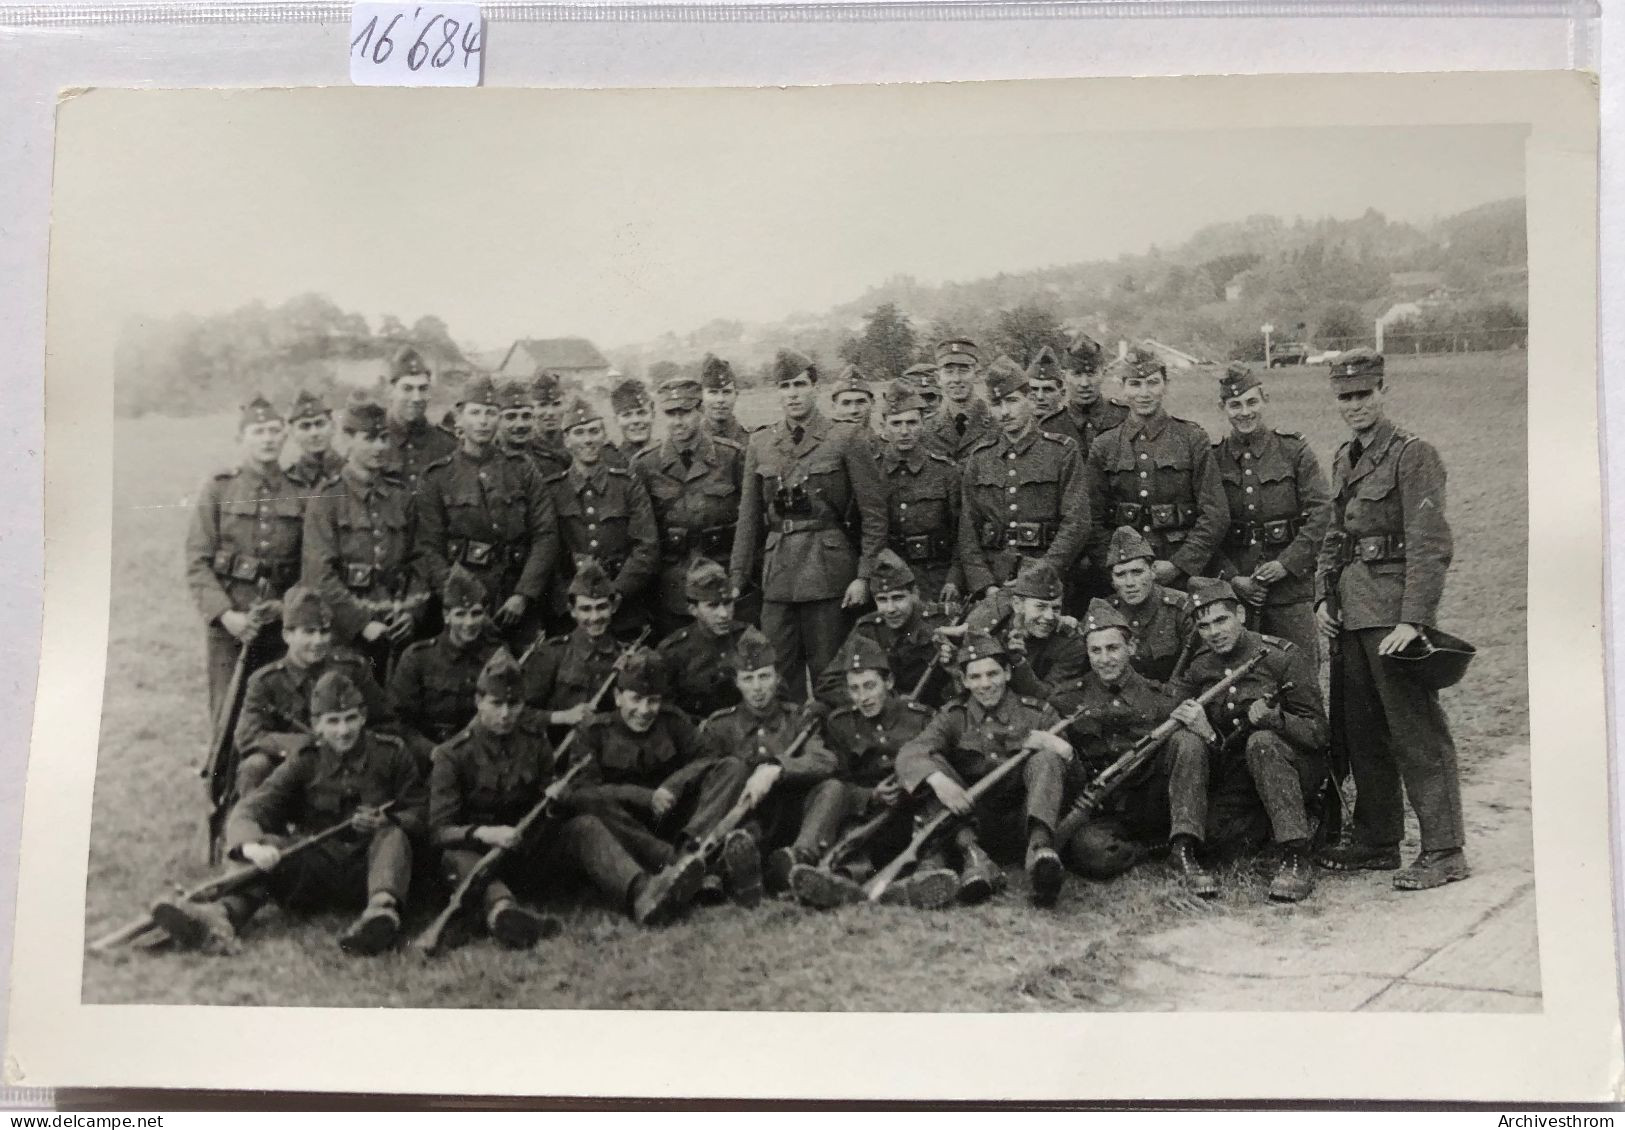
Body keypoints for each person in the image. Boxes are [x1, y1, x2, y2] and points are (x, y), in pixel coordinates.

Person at [1313, 349, 1466, 891]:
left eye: (1364, 394)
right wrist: (1322, 601)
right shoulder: (1344, 458)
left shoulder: (1412, 455)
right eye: (1345, 397)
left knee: (1414, 730)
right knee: (1364, 733)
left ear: (1383, 392)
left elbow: (1430, 546)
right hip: (1352, 614)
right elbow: (1335, 535)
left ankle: (1445, 848)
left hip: (1393, 616)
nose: (1355, 405)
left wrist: (1415, 621)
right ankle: (1378, 841)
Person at [430, 649, 706, 943]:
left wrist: (555, 801)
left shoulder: (535, 743)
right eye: (497, 704)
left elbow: (550, 809)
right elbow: (438, 831)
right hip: (480, 860)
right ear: (478, 702)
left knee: (584, 825)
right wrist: (484, 833)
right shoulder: (452, 754)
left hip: (527, 854)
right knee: (455, 855)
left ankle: (643, 893)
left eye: (514, 704)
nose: (506, 714)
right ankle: (503, 911)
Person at [153, 670, 426, 956]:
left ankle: (380, 916)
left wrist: (388, 820)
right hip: (317, 870)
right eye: (332, 721)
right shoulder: (305, 762)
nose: (343, 731)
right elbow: (252, 808)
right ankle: (222, 916)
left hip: (374, 871)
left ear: (364, 717)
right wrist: (250, 846)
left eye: (350, 719)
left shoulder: (392, 754)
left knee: (392, 834)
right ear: (316, 725)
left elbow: (421, 811)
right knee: (270, 846)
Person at [729, 349, 890, 700]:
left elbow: (874, 515)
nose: (793, 393)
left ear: (815, 388)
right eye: (785, 386)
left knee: (830, 676)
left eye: (800, 384)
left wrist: (864, 575)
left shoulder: (844, 438)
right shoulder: (761, 443)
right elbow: (748, 518)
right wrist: (736, 579)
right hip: (778, 577)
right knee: (779, 679)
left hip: (830, 575)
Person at [1165, 580, 1326, 902]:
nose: (1214, 632)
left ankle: (1295, 854)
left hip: (1290, 768)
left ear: (1240, 613)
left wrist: (1276, 719)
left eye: (1221, 620)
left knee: (1261, 742)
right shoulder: (1199, 668)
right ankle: (1186, 848)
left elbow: (1319, 734)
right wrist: (1205, 732)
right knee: (1219, 838)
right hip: (1238, 779)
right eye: (1204, 625)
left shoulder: (1281, 657)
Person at [895, 632, 1075, 908]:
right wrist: (938, 780)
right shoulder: (954, 716)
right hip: (972, 824)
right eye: (976, 677)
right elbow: (911, 753)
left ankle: (1041, 855)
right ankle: (975, 859)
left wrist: (1059, 748)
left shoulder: (1038, 714)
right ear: (964, 681)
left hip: (1024, 822)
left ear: (1006, 673)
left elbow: (1074, 777)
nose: (985, 684)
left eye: (992, 674)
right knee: (931, 765)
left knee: (1047, 758)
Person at [569, 647, 760, 906]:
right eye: (635, 699)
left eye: (653, 700)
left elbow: (708, 757)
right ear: (617, 697)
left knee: (733, 767)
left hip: (676, 822)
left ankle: (693, 855)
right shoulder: (593, 732)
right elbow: (583, 791)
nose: (645, 710)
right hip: (629, 830)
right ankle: (685, 865)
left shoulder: (672, 721)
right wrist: (645, 797)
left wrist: (674, 785)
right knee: (589, 805)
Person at [1052, 600, 1215, 895]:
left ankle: (1182, 848)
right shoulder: (1068, 701)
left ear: (1131, 648)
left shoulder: (1162, 697)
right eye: (1096, 650)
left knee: (1187, 740)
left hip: (1154, 803)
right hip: (1106, 813)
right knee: (1092, 854)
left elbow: (1196, 759)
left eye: (1113, 648)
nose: (1105, 659)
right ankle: (1151, 848)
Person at [784, 635, 948, 910]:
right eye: (855, 689)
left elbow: (937, 765)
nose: (863, 697)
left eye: (870, 686)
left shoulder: (920, 718)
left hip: (913, 810)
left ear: (890, 683)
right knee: (852, 843)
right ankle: (841, 883)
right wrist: (872, 796)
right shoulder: (842, 724)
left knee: (931, 829)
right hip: (871, 815)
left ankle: (924, 878)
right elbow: (841, 781)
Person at [694, 628, 839, 898]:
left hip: (790, 819)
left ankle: (798, 860)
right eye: (748, 679)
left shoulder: (797, 719)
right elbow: (708, 783)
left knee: (832, 788)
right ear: (737, 682)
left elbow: (824, 760)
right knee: (743, 838)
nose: (757, 687)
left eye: (764, 676)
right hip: (744, 821)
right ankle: (736, 871)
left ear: (777, 678)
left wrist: (778, 768)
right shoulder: (719, 726)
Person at [185, 394, 302, 720]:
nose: (268, 438)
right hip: (230, 626)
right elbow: (197, 560)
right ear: (242, 438)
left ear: (285, 435)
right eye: (259, 431)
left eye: (274, 430)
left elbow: (312, 564)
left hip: (282, 626)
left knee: (281, 714)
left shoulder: (301, 490)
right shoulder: (219, 489)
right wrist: (227, 616)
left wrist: (285, 607)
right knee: (228, 714)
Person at [417, 375, 558, 646]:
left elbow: (546, 534)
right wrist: (462, 602)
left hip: (517, 598)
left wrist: (524, 594)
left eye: (491, 413)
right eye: (476, 412)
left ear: (499, 419)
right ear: (460, 417)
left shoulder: (522, 468)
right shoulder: (438, 477)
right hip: (464, 606)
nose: (483, 421)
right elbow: (428, 547)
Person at [1209, 363, 1332, 664]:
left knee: (1301, 672)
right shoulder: (1214, 458)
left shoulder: (1294, 451)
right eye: (1234, 405)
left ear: (1265, 400)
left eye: (1252, 402)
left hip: (1291, 590)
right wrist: (1233, 579)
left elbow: (1322, 512)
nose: (1244, 412)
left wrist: (1287, 564)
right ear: (1222, 407)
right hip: (1239, 593)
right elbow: (1207, 523)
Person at [233, 585, 411, 793]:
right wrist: (306, 744)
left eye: (324, 631)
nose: (318, 641)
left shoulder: (352, 669)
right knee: (255, 766)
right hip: (290, 770)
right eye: (309, 632)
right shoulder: (265, 681)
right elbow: (248, 736)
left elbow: (385, 721)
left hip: (349, 766)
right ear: (287, 635)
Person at [1084, 345, 1228, 592]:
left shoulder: (1192, 439)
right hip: (1125, 578)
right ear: (1122, 387)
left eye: (1152, 383)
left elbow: (1215, 513)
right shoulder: (1104, 445)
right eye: (1135, 384)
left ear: (1165, 385)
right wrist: (1119, 568)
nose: (1144, 393)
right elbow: (1091, 518)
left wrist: (1179, 564)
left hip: (1181, 573)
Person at [301, 395, 424, 678]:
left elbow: (419, 560)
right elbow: (319, 575)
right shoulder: (327, 499)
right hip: (344, 633)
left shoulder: (400, 496)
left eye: (384, 438)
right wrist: (362, 624)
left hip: (395, 627)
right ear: (346, 440)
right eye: (369, 438)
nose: (380, 447)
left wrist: (412, 614)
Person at [957, 356, 1092, 598]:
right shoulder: (979, 458)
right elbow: (968, 531)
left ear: (1030, 399)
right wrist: (985, 585)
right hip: (995, 583)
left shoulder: (1061, 451)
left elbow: (1076, 522)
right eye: (996, 404)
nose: (1005, 412)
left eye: (1012, 401)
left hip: (1047, 580)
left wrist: (1044, 571)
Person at [537, 395, 659, 638]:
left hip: (624, 606)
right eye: (579, 432)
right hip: (571, 611)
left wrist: (615, 594)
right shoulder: (552, 490)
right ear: (566, 440)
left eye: (594, 431)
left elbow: (646, 547)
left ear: (604, 436)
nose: (588, 439)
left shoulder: (627, 485)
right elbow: (546, 550)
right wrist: (570, 601)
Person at [633, 375, 745, 639]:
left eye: (685, 412)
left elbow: (752, 522)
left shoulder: (732, 457)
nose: (678, 420)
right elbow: (641, 534)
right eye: (670, 413)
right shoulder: (645, 465)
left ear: (700, 411)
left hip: (723, 580)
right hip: (674, 589)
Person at [815, 550, 954, 709]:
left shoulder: (941, 623)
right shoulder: (868, 628)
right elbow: (827, 684)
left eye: (898, 598)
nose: (890, 609)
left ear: (914, 594)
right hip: (883, 714)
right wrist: (880, 699)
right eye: (882, 600)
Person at [874, 380, 963, 609]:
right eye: (896, 423)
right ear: (883, 426)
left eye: (912, 422)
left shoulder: (945, 471)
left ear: (923, 424)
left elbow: (962, 532)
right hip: (889, 581)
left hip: (936, 578)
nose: (904, 431)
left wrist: (954, 578)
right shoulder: (872, 472)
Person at [388, 566, 499, 745]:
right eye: (460, 614)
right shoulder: (417, 657)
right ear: (446, 616)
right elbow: (400, 721)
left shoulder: (496, 657)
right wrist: (433, 753)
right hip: (429, 752)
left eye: (476, 613)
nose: (469, 622)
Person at [959, 557, 1090, 699]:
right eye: (1041, 606)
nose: (1049, 616)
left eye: (1056, 608)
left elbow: (1048, 694)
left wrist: (1019, 663)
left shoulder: (1070, 643)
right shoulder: (994, 628)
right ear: (1017, 604)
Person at [522, 559, 627, 718]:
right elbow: (522, 713)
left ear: (613, 607)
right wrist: (562, 717)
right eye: (585, 609)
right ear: (572, 611)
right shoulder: (552, 654)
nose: (595, 617)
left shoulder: (624, 656)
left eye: (601, 607)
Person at [656, 558, 749, 720]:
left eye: (727, 603)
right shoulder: (673, 651)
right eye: (712, 606)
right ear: (693, 609)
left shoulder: (748, 639)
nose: (724, 614)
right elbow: (665, 713)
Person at [1103, 525, 1197, 684]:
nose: (1130, 583)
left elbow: (1198, 667)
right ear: (1112, 580)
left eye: (1137, 572)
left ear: (1153, 571)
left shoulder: (1180, 608)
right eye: (1120, 575)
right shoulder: (1105, 612)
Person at [381, 346, 458, 496]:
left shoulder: (446, 444)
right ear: (390, 391)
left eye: (423, 389)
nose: (416, 398)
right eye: (407, 388)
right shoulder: (373, 441)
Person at [925, 337, 995, 459]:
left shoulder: (997, 422)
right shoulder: (927, 428)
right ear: (938, 379)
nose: (956, 379)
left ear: (977, 375)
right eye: (949, 371)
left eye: (964, 370)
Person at [1060, 331, 1128, 453]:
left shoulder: (1125, 418)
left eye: (1091, 373)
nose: (1085, 383)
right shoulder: (1050, 426)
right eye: (1077, 374)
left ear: (1104, 374)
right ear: (1064, 376)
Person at [282, 389, 346, 489]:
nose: (314, 433)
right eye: (305, 426)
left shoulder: (351, 472)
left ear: (333, 427)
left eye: (320, 424)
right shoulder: (287, 482)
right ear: (293, 433)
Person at [1028, 347, 1085, 449]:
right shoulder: (1019, 427)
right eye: (1034, 389)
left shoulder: (1074, 428)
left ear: (1062, 393)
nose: (1040, 397)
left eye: (1047, 390)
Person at [526, 370, 572, 477]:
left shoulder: (574, 444)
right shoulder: (526, 450)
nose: (550, 412)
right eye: (542, 405)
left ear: (565, 407)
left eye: (556, 404)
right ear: (531, 410)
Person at [698, 354, 751, 445]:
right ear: (701, 396)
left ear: (736, 395)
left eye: (727, 392)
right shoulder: (690, 440)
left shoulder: (751, 439)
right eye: (713, 392)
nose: (720, 399)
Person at [607, 377, 656, 467]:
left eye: (642, 413)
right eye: (627, 415)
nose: (635, 420)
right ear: (616, 420)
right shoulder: (609, 462)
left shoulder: (667, 456)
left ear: (653, 415)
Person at [494, 379, 539, 460]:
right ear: (498, 420)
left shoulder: (547, 459)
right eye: (511, 417)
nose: (520, 424)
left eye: (526, 416)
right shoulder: (488, 461)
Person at [829, 365, 876, 431]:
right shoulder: (821, 441)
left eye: (861, 402)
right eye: (846, 403)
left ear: (872, 404)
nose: (854, 410)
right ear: (834, 407)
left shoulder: (884, 440)